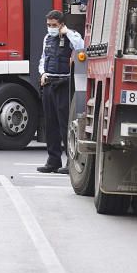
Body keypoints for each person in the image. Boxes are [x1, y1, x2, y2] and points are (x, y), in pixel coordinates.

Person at [36, 10, 84, 174]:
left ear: (61, 24)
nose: (51, 28)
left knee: (65, 124)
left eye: (54, 25)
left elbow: (81, 47)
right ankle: (53, 160)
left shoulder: (72, 36)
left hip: (64, 83)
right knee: (50, 125)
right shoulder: (47, 39)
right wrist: (42, 74)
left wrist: (67, 33)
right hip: (49, 83)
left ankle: (70, 161)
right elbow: (43, 58)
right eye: (49, 25)